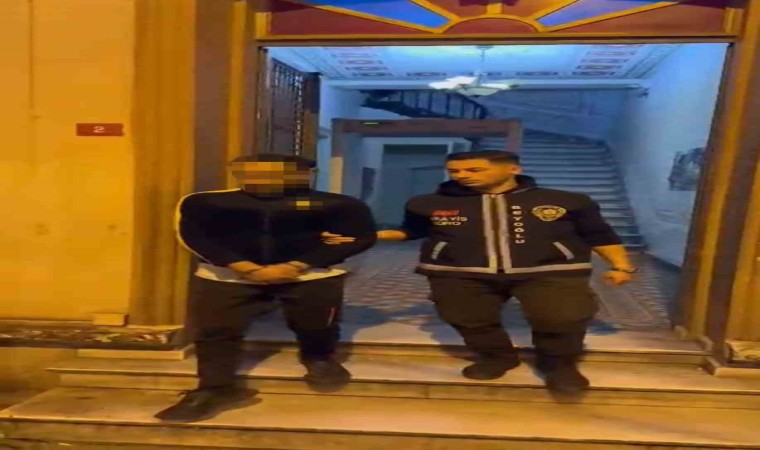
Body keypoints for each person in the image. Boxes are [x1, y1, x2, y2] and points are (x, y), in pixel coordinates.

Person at [324, 150, 635, 396]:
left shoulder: (565, 201)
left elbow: (599, 235)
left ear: (512, 168)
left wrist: (620, 265)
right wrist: (366, 236)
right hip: (456, 270)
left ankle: (558, 365)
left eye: (473, 170)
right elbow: (410, 231)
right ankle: (497, 357)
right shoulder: (427, 203)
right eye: (455, 171)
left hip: (550, 269)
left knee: (562, 318)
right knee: (467, 318)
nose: (462, 176)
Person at [155, 153, 377, 423]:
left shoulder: (337, 204)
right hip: (227, 275)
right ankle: (215, 387)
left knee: (316, 324)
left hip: (310, 275)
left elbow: (359, 237)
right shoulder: (206, 202)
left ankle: (318, 358)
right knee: (215, 331)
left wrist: (296, 265)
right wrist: (244, 266)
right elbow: (194, 236)